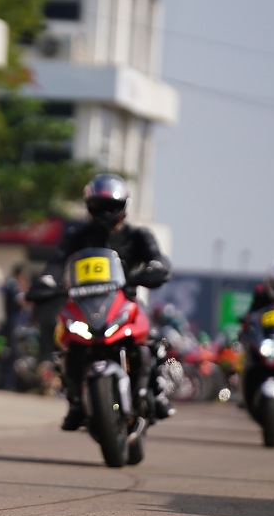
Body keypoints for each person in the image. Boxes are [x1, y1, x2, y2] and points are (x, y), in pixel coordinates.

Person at [31, 173, 174, 430]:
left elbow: (157, 259)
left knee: (151, 340)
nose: (105, 212)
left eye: (111, 206)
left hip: (124, 301)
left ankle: (155, 392)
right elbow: (56, 262)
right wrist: (47, 280)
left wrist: (153, 269)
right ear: (89, 206)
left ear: (123, 206)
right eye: (99, 206)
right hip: (84, 304)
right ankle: (75, 401)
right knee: (67, 343)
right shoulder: (77, 235)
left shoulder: (139, 236)